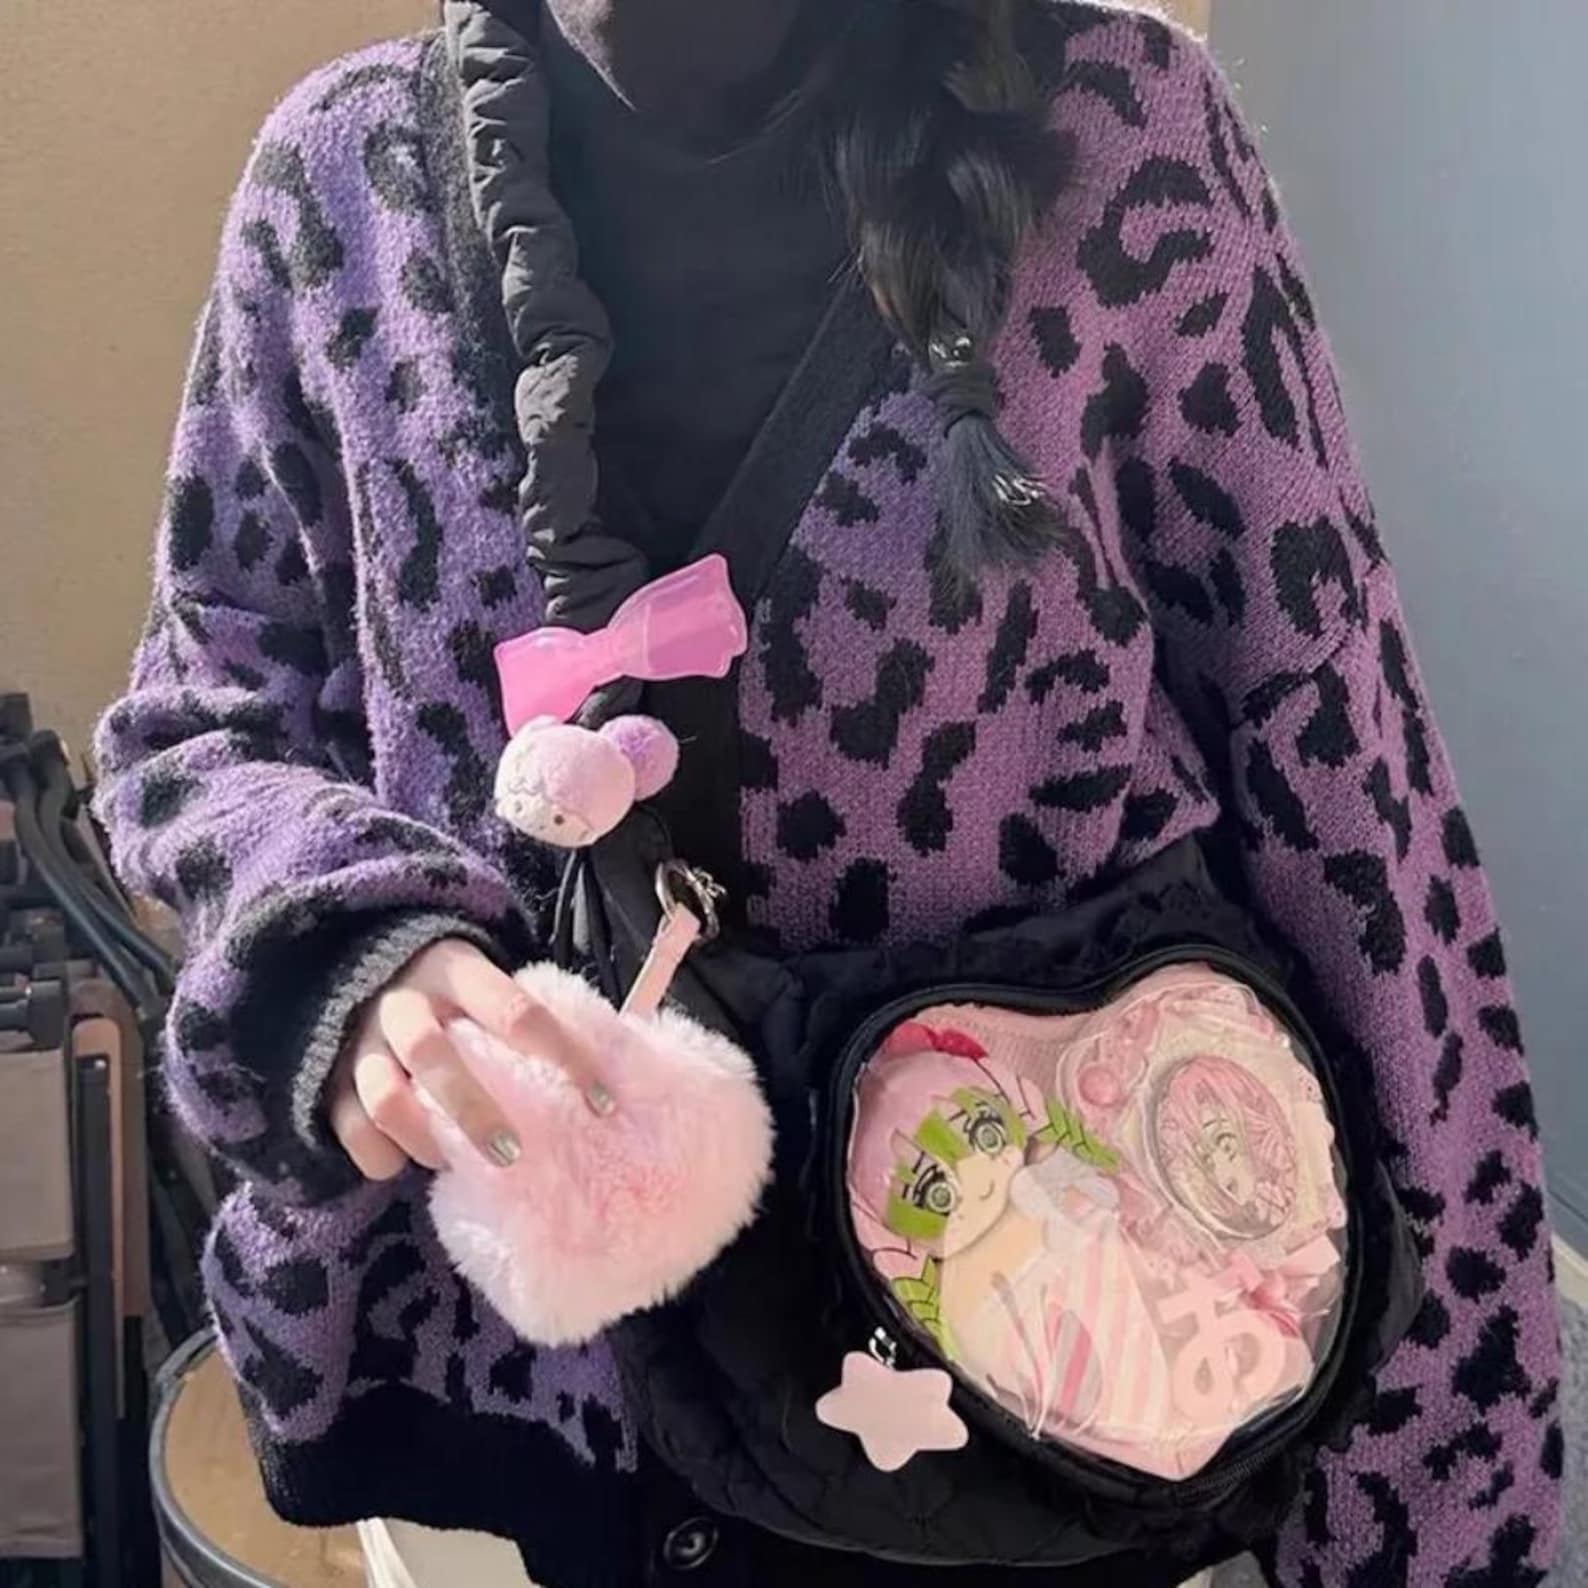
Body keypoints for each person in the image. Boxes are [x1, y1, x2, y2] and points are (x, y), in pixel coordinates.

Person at [95, 1, 1562, 1583]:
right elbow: (206, 708)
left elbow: (1344, 779)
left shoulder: (1120, 136)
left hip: (1046, 1362)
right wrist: (357, 953)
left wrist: (1439, 1484)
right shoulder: (340, 190)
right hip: (574, 1382)